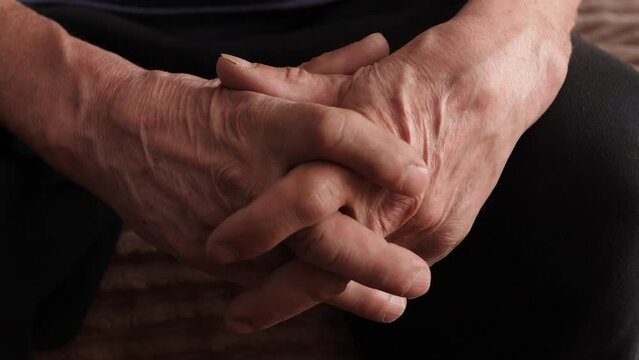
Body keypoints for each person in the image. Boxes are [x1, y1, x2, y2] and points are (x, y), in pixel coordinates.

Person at [0, 0, 637, 359]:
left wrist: (522, 32)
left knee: (614, 190)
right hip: (29, 33)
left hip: (392, 16)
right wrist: (85, 106)